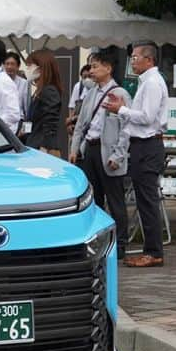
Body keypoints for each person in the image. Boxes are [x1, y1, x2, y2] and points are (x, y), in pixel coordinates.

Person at [104, 42, 169, 268]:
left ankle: (153, 252)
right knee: (143, 200)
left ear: (149, 60)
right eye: (131, 57)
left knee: (147, 201)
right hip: (142, 145)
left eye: (136, 57)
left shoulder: (152, 83)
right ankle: (151, 250)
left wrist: (121, 110)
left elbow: (147, 117)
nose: (132, 61)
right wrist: (123, 109)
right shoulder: (147, 82)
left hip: (148, 146)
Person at [70, 49, 130, 257]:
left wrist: (118, 155)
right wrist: (74, 148)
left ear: (108, 68)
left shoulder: (120, 94)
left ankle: (121, 244)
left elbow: (126, 129)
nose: (92, 71)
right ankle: (97, 241)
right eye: (91, 66)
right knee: (94, 199)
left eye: (95, 66)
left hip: (109, 152)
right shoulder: (91, 93)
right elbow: (80, 123)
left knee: (115, 200)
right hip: (91, 148)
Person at [22, 49, 64, 156]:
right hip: (33, 144)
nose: (27, 69)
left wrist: (46, 147)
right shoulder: (38, 91)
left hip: (42, 148)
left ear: (40, 68)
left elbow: (51, 123)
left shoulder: (48, 90)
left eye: (30, 66)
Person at [4, 51, 30, 129]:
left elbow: (27, 108)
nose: (9, 67)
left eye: (12, 64)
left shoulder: (24, 83)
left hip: (18, 122)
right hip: (2, 122)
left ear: (18, 66)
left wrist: (25, 129)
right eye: (7, 64)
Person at [66, 64, 93, 137]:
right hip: (78, 125)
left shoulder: (97, 89)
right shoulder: (78, 87)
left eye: (89, 76)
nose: (87, 79)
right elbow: (72, 106)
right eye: (84, 77)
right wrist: (70, 123)